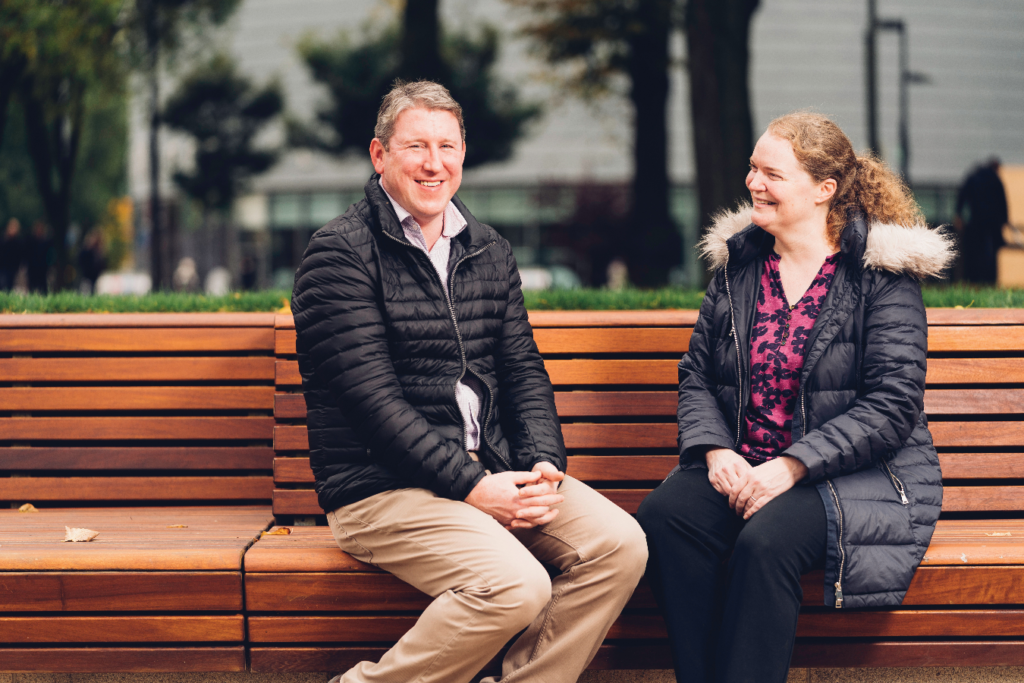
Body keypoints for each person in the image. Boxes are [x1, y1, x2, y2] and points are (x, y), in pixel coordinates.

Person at [290, 80, 647, 683]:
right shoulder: (340, 254)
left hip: (493, 468)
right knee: (515, 585)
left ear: (463, 153)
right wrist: (474, 486)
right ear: (380, 156)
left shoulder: (487, 249)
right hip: (381, 487)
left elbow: (522, 369)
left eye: (447, 146)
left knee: (620, 545)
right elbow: (373, 403)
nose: (434, 164)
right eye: (416, 147)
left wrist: (540, 465)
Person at [636, 111, 951, 683]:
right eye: (752, 168)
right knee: (666, 517)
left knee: (766, 541)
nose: (753, 183)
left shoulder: (880, 276)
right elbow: (697, 375)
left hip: (856, 476)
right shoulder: (740, 268)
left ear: (823, 190)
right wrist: (714, 451)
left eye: (771, 173)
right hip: (746, 465)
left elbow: (893, 403)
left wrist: (791, 466)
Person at [955, 157, 1008, 283]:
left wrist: (958, 215)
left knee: (974, 252)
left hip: (975, 221)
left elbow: (962, 196)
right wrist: (1004, 221)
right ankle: (990, 280)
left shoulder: (974, 177)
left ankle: (972, 279)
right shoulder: (996, 180)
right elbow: (1003, 203)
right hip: (992, 224)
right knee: (990, 255)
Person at [0, 218, 23, 290]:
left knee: (9, 285)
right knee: (3, 284)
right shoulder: (3, 239)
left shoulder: (18, 242)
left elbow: (19, 255)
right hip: (3, 267)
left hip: (12, 267)